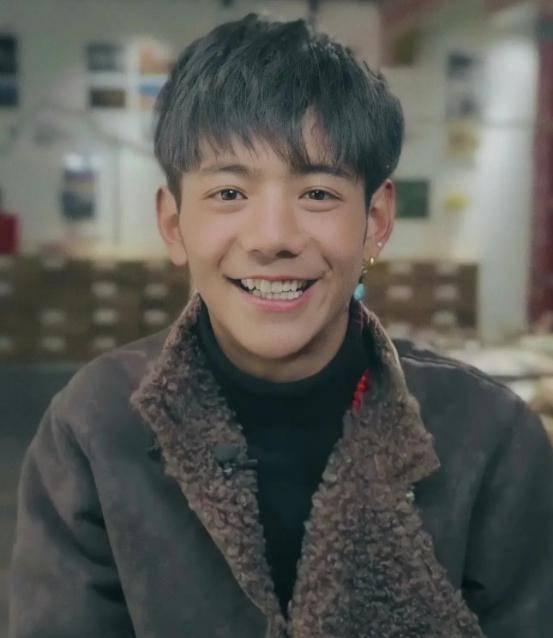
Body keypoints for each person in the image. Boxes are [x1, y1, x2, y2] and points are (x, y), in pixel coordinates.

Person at [9, 13, 553, 638]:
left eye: (318, 193)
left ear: (375, 221)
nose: (273, 238)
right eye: (229, 194)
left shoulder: (491, 439)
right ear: (173, 223)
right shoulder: (95, 426)